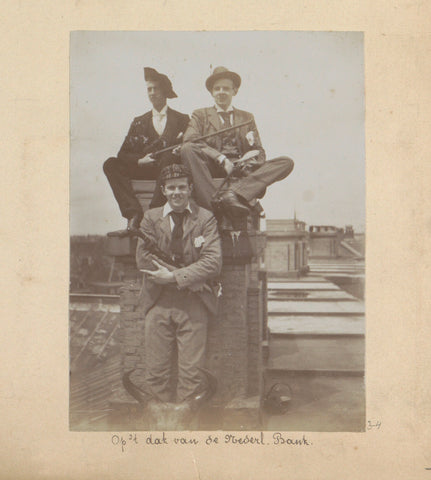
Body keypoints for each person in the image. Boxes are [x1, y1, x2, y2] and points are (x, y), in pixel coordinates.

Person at [136, 164, 222, 403]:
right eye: (171, 188)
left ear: (190, 189)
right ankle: (159, 431)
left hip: (194, 304)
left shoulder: (205, 218)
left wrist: (173, 277)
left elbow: (213, 262)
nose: (177, 193)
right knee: (155, 375)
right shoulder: (151, 218)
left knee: (192, 377)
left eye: (182, 187)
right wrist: (185, 278)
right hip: (157, 302)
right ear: (163, 190)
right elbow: (144, 259)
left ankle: (185, 433)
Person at [180, 66, 294, 218]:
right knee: (187, 148)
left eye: (226, 88)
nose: (221, 92)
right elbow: (190, 139)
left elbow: (259, 150)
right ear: (212, 92)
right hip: (213, 166)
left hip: (241, 168)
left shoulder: (247, 117)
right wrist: (221, 159)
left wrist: (250, 163)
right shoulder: (200, 115)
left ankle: (235, 192)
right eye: (217, 88)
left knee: (286, 162)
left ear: (235, 91)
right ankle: (215, 202)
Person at [104, 68, 190, 235]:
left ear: (165, 91)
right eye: (149, 89)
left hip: (169, 171)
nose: (151, 93)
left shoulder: (182, 119)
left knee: (168, 158)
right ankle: (134, 213)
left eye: (155, 88)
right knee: (110, 164)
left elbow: (190, 145)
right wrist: (139, 161)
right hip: (144, 168)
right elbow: (123, 154)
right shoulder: (139, 122)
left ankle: (152, 213)